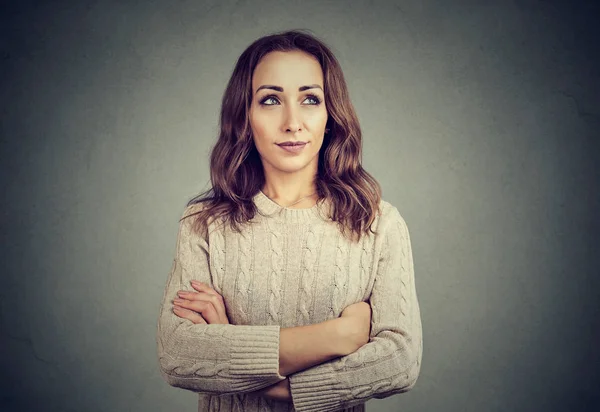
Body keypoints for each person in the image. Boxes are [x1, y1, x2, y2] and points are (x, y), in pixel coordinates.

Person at [156, 29, 423, 412]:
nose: (292, 122)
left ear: (330, 114)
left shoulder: (379, 223)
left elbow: (401, 362)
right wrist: (337, 336)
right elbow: (178, 354)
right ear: (245, 116)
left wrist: (233, 345)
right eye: (270, 100)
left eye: (310, 99)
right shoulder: (204, 222)